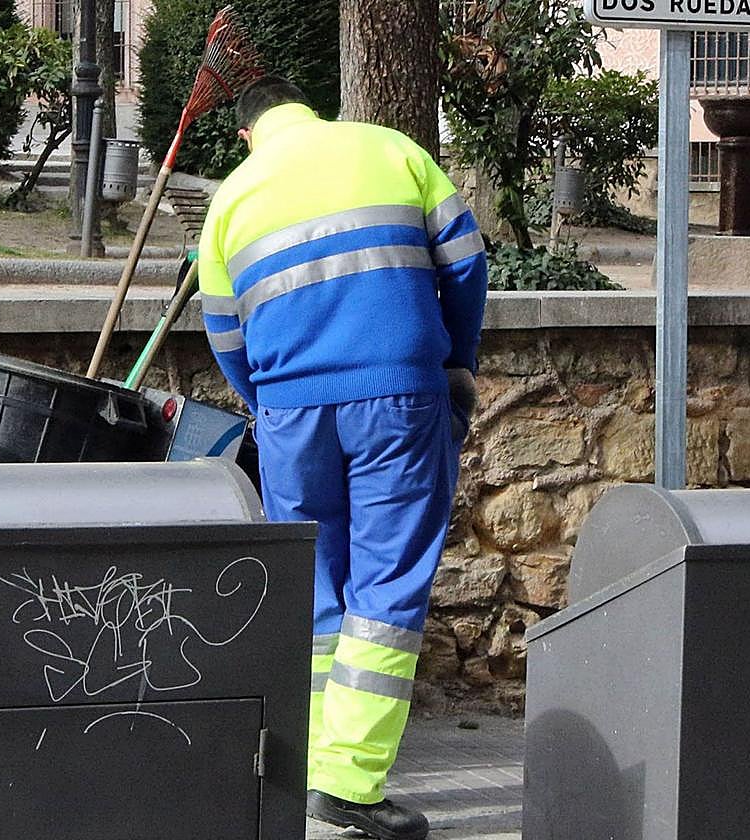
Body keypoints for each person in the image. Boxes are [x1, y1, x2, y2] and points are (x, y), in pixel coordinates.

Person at [199, 77, 488, 840]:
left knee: (314, 583)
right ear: (311, 110)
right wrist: (457, 360)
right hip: (398, 394)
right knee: (388, 579)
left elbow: (224, 333)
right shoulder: (390, 149)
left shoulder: (231, 199)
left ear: (246, 135)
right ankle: (350, 781)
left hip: (290, 413)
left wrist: (269, 402)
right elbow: (465, 264)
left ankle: (309, 770)